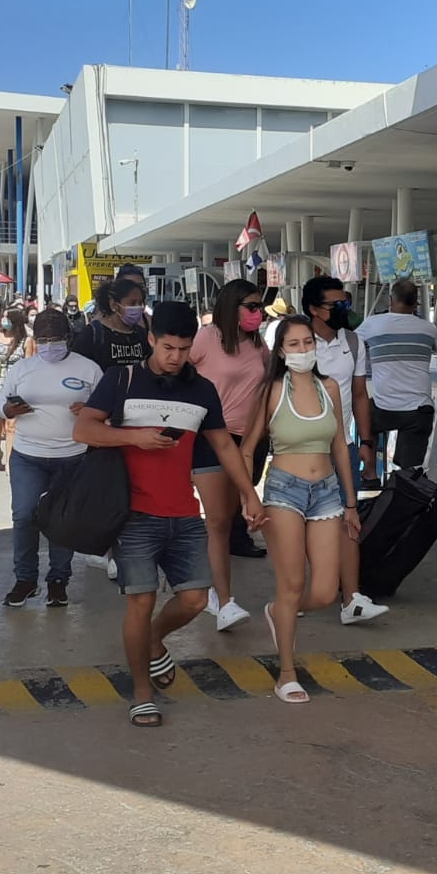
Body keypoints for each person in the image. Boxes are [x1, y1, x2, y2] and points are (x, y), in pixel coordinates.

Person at [73, 302, 266, 729]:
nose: (175, 357)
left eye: (182, 349)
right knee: (139, 603)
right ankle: (142, 693)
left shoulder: (201, 391)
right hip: (134, 513)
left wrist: (249, 495)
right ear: (151, 340)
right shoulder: (121, 379)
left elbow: (224, 447)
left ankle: (155, 641)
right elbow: (84, 429)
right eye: (167, 348)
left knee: (197, 599)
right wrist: (135, 437)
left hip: (183, 511)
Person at [241, 315, 366, 702]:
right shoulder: (271, 392)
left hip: (327, 491)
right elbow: (247, 448)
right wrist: (249, 496)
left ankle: (279, 612)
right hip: (284, 492)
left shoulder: (330, 388)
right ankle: (287, 672)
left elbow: (340, 448)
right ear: (280, 351)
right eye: (293, 345)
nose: (302, 351)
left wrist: (350, 503)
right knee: (293, 583)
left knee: (327, 591)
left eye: (307, 343)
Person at [274, 274, 385, 624]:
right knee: (308, 525)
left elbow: (359, 395)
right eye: (336, 304)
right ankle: (300, 597)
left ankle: (351, 597)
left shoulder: (353, 342)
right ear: (314, 310)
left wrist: (367, 442)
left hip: (343, 444)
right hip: (305, 453)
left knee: (349, 520)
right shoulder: (299, 345)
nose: (344, 309)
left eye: (346, 302)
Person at [0, 310, 103, 608]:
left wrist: (91, 410)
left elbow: (107, 408)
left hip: (73, 457)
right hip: (28, 456)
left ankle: (59, 580)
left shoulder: (89, 369)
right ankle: (25, 580)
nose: (49, 345)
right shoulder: (22, 369)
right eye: (43, 339)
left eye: (55, 339)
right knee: (24, 515)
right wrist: (9, 410)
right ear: (35, 340)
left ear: (68, 339)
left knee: (62, 521)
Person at [190, 279, 272, 631]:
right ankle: (223, 600)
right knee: (219, 520)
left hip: (250, 441)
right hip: (210, 437)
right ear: (232, 306)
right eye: (251, 306)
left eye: (260, 307)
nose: (258, 313)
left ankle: (216, 591)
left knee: (236, 514)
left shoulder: (258, 344)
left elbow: (267, 386)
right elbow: (181, 371)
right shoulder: (207, 338)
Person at [357, 278, 437, 480]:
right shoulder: (429, 329)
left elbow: (353, 343)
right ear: (415, 303)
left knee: (363, 415)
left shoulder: (372, 325)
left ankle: (369, 472)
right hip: (420, 410)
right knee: (409, 472)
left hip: (384, 407)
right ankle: (404, 492)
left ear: (391, 301)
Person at [0, 306, 32, 472]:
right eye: (3, 317)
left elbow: (29, 364)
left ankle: (10, 461)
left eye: (7, 318)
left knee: (11, 426)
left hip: (14, 385)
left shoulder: (27, 340)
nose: (4, 320)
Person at [71, 279, 150, 369]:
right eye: (132, 303)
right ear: (114, 305)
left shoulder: (141, 334)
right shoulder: (93, 334)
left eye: (140, 303)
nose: (137, 307)